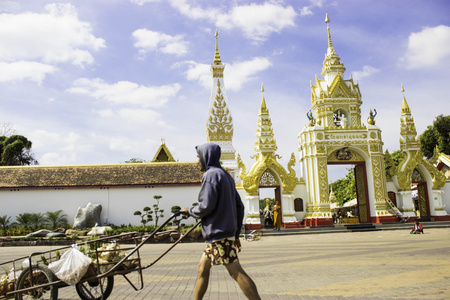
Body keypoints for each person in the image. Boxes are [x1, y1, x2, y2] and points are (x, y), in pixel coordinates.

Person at [181, 143, 261, 300]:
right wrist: (236, 235)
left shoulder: (210, 175)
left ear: (206, 157)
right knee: (202, 268)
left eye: (198, 157)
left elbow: (206, 206)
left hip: (219, 234)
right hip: (223, 234)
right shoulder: (226, 176)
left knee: (236, 271)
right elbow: (240, 207)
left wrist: (189, 211)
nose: (197, 161)